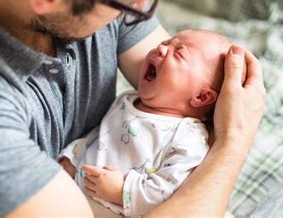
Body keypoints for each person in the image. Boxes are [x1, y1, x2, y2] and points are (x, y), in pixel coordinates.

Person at [0, 0, 266, 217]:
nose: (139, 10)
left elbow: (185, 103)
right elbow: (223, 128)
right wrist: (234, 142)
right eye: (130, 1)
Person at [58, 29, 243, 216]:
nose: (161, 48)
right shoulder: (127, 100)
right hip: (73, 196)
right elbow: (100, 135)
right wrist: (72, 158)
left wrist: (122, 191)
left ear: (201, 96)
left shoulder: (188, 137)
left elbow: (170, 194)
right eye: (167, 42)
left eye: (178, 53)